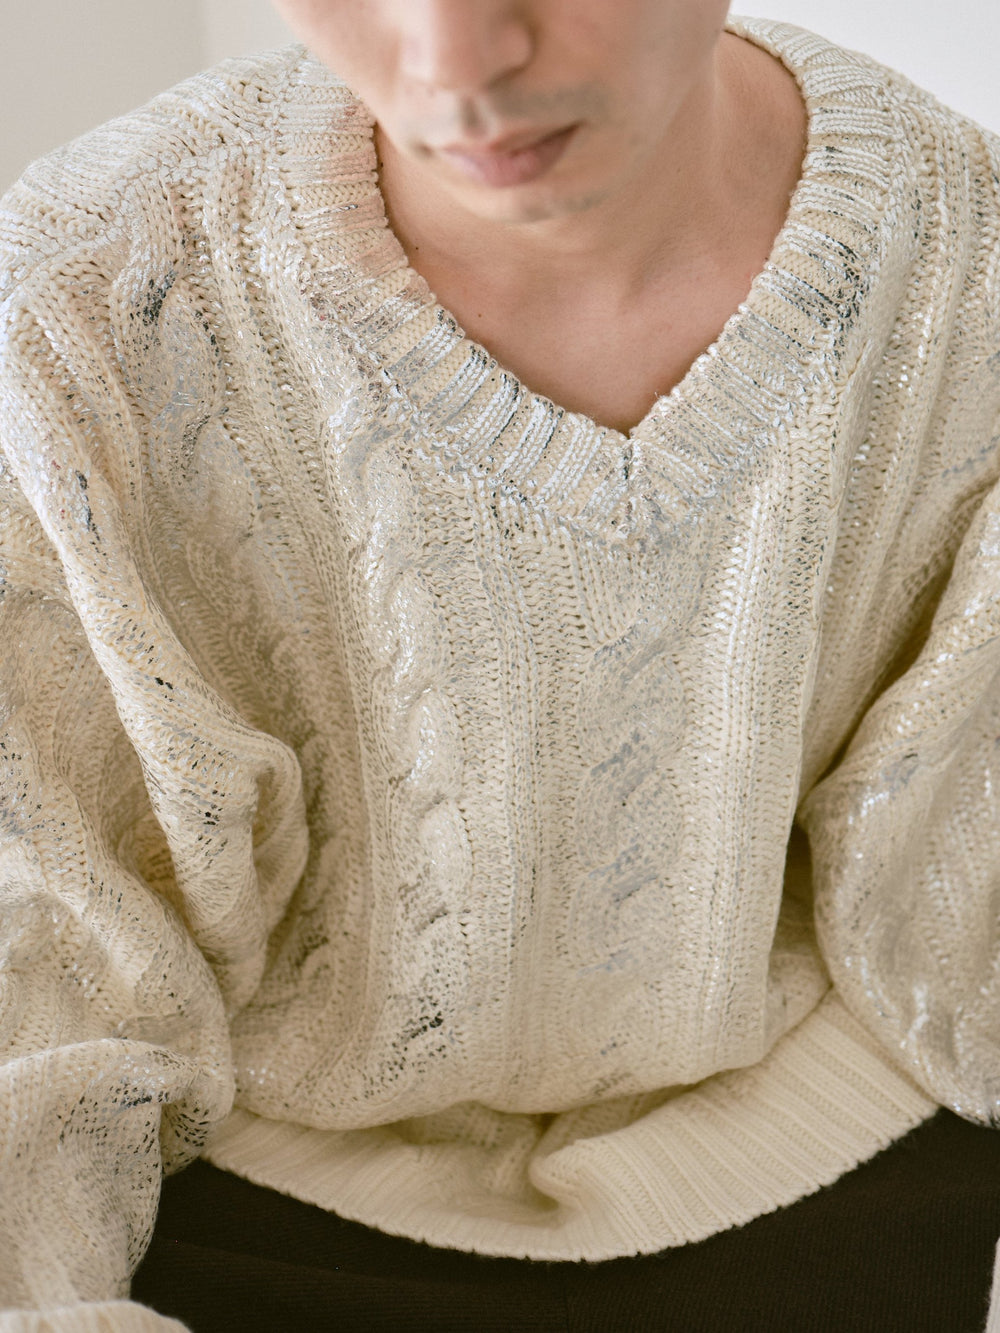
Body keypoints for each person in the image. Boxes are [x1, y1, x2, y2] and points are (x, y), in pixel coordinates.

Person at [1, 1, 1000, 1328]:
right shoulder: (84, 306)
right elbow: (42, 985)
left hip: (840, 1144)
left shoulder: (962, 259)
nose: (454, 67)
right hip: (237, 1182)